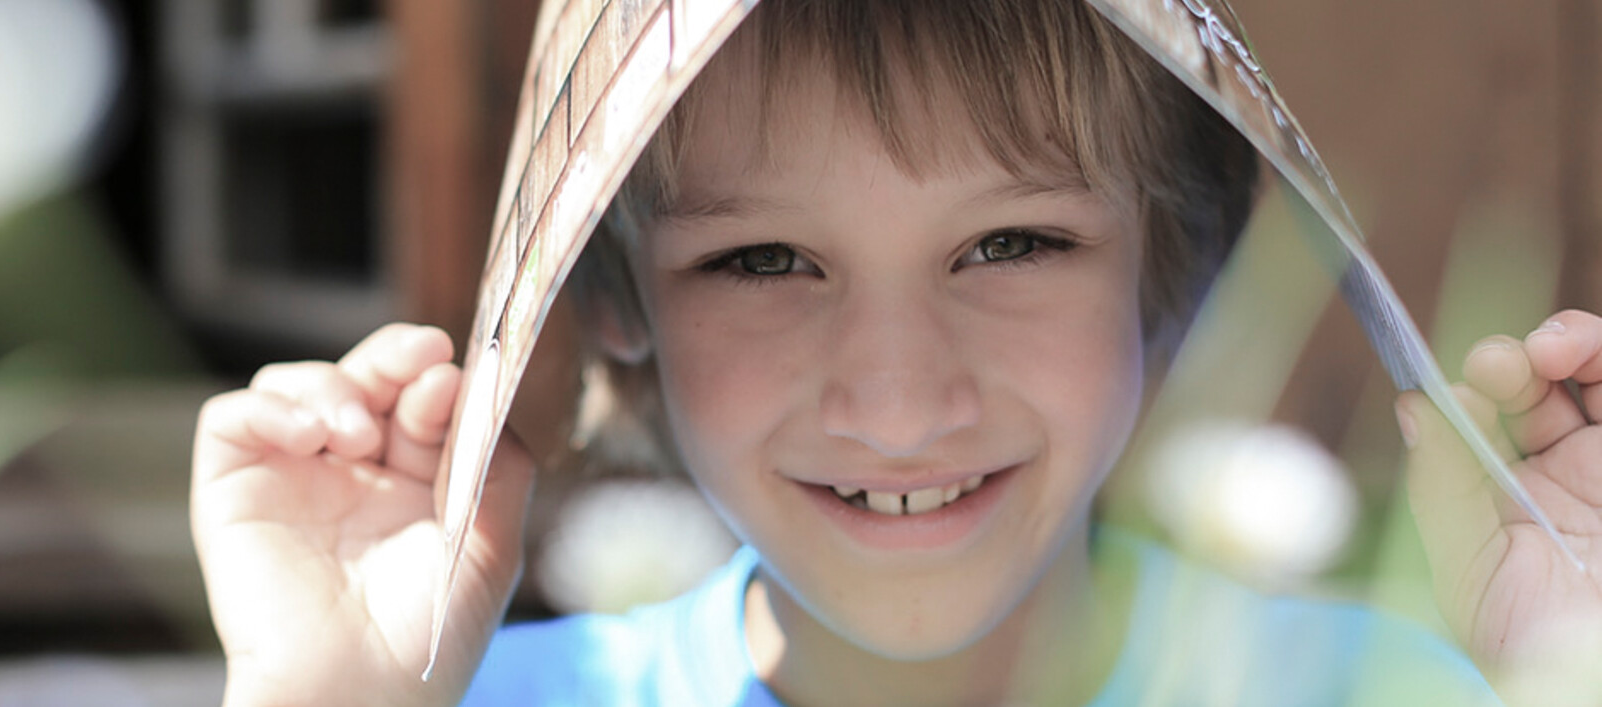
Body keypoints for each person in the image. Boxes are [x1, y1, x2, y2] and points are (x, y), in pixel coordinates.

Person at [188, 1, 1602, 704]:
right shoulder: (465, 697)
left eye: (1010, 247)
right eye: (763, 262)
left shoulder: (1380, 692)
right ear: (615, 292)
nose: (899, 395)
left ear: (1179, 259)